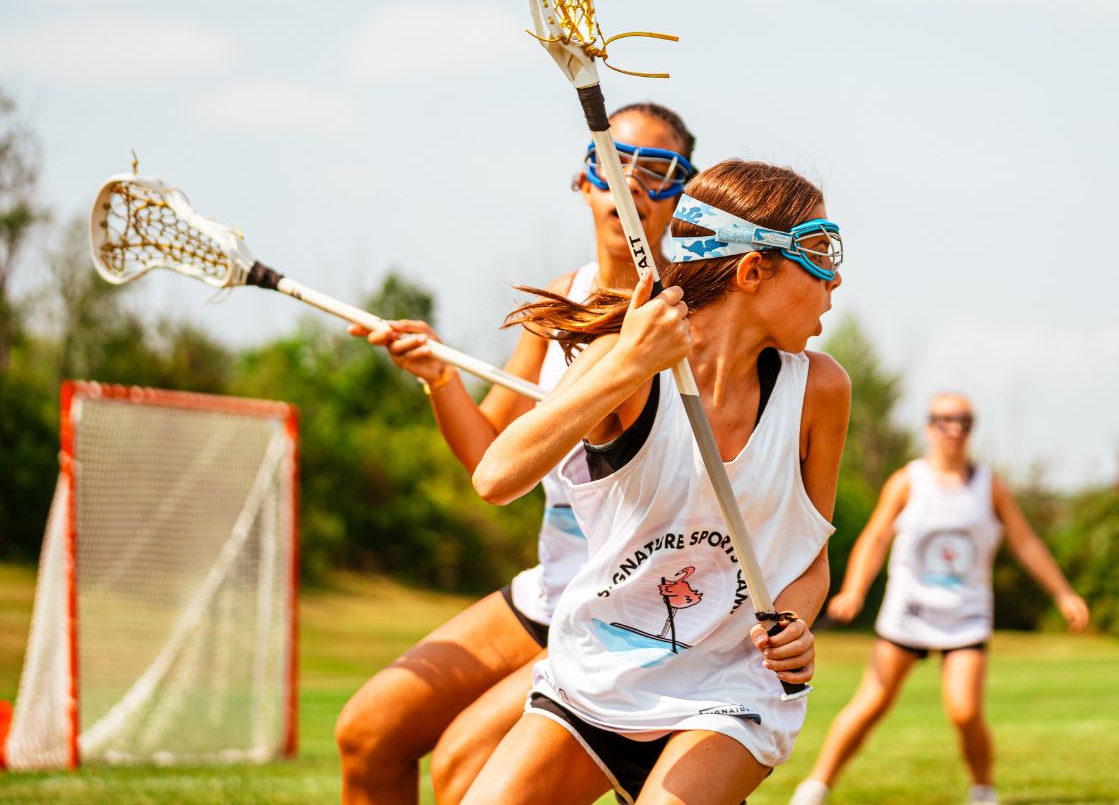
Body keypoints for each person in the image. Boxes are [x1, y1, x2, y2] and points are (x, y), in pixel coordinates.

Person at [334, 104, 699, 805]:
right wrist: (439, 377)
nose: (630, 183)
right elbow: (490, 461)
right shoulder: (558, 303)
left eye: (656, 171)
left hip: (633, 610)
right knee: (368, 733)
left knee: (464, 769)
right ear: (584, 179)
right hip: (552, 592)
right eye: (612, 162)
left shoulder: (693, 310)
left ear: (684, 191)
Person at [459, 160, 850, 805]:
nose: (834, 279)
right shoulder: (630, 362)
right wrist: (625, 364)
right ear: (753, 271)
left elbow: (810, 564)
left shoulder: (821, 390)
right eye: (815, 254)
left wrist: (797, 624)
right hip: (596, 674)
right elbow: (496, 477)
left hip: (730, 691)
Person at [791, 393, 1089, 805]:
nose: (955, 430)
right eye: (946, 420)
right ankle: (815, 787)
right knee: (870, 704)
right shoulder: (908, 481)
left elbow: (1026, 542)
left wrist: (1064, 593)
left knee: (965, 711)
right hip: (908, 612)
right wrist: (854, 590)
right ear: (929, 427)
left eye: (964, 421)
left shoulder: (990, 485)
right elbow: (876, 538)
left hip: (965, 615)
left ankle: (983, 791)